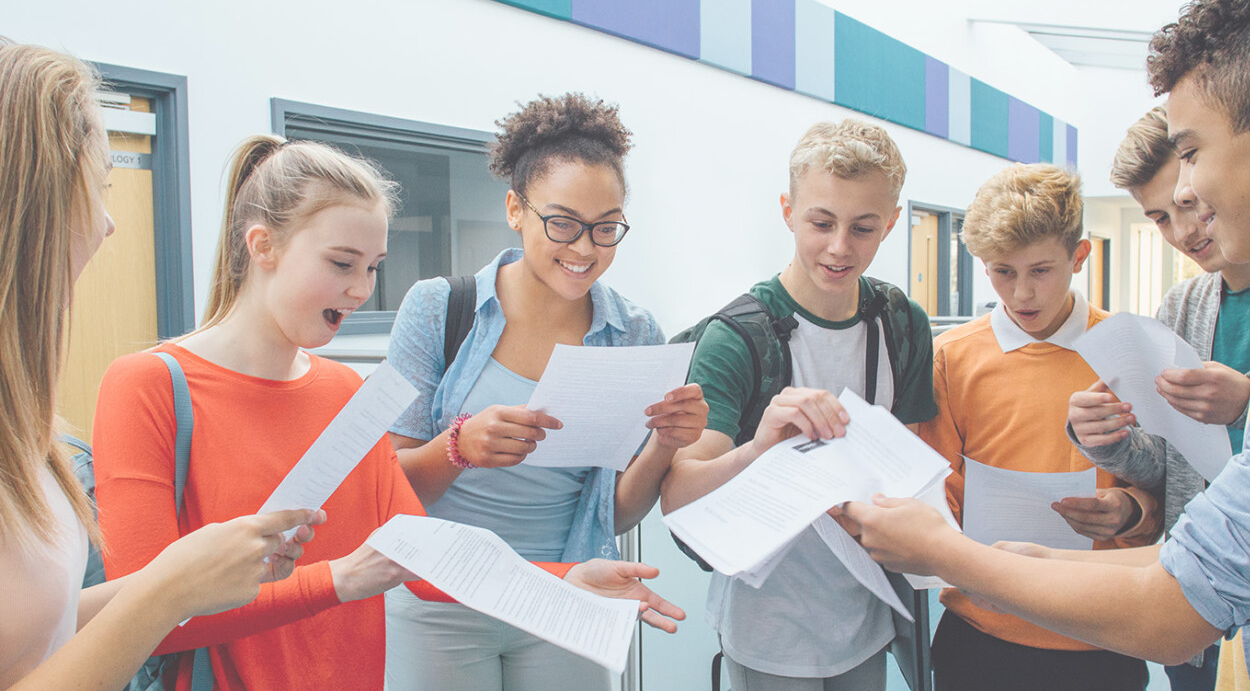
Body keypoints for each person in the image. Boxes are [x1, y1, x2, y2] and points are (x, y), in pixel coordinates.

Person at [842, 0, 1250, 690]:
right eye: (1001, 273)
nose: (1186, 194)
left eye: (1191, 152)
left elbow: (1175, 605)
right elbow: (1197, 546)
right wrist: (1027, 558)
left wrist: (953, 555)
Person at [94, 132, 684, 691]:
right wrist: (339, 580)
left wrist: (565, 580)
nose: (361, 291)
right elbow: (139, 617)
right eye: (342, 263)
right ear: (262, 245)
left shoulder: (345, 390)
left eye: (373, 267)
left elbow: (423, 560)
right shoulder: (149, 385)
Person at [0, 40, 325, 691]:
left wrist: (184, 578)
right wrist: (171, 587)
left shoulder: (28, 428)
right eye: (101, 186)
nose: (110, 221)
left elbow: (41, 628)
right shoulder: (148, 379)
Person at [383, 92, 706, 691]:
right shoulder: (439, 307)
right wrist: (459, 446)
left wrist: (664, 445)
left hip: (567, 593)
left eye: (606, 228)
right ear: (515, 208)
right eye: (563, 223)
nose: (584, 249)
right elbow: (386, 488)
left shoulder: (635, 332)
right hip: (438, 598)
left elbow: (618, 509)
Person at [660, 119, 937, 691]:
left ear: (889, 222)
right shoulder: (736, 338)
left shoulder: (901, 323)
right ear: (787, 211)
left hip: (869, 619)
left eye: (863, 227)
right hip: (768, 630)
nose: (840, 247)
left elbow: (914, 464)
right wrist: (759, 448)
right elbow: (678, 496)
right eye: (821, 222)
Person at [914, 162, 1159, 691]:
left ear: (1079, 256)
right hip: (981, 635)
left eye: (1041, 270)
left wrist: (1131, 512)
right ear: (982, 265)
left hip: (1102, 634)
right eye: (1003, 271)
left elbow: (1171, 492)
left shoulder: (1131, 351)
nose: (1021, 293)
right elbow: (934, 497)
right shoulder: (950, 360)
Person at [1065, 105, 1250, 691]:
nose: (1183, 233)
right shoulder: (1181, 309)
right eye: (1159, 218)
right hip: (1196, 603)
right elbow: (1170, 467)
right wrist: (1105, 441)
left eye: (1187, 205)